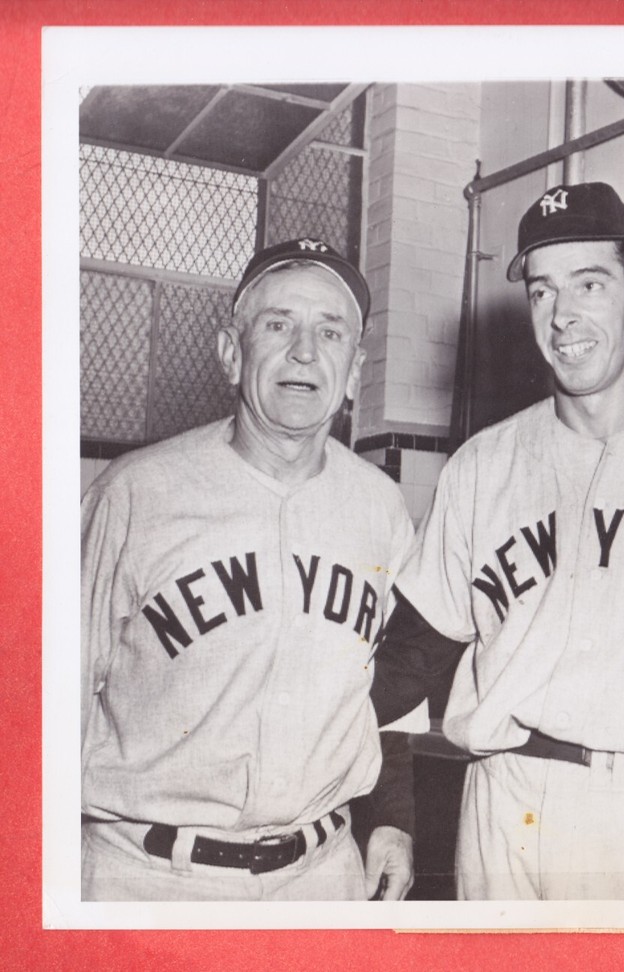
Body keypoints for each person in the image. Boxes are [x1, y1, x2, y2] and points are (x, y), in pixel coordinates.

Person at [370, 182, 624, 900]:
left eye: (589, 284)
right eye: (542, 291)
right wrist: (384, 811)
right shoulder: (483, 465)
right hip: (511, 808)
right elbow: (409, 656)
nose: (562, 315)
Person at [81, 238, 416, 901]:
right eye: (278, 324)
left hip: (323, 877)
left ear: (354, 371)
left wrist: (394, 820)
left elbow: (392, 680)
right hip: (147, 879)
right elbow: (42, 696)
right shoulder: (134, 493)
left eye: (330, 331)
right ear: (231, 354)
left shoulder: (380, 505)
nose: (303, 350)